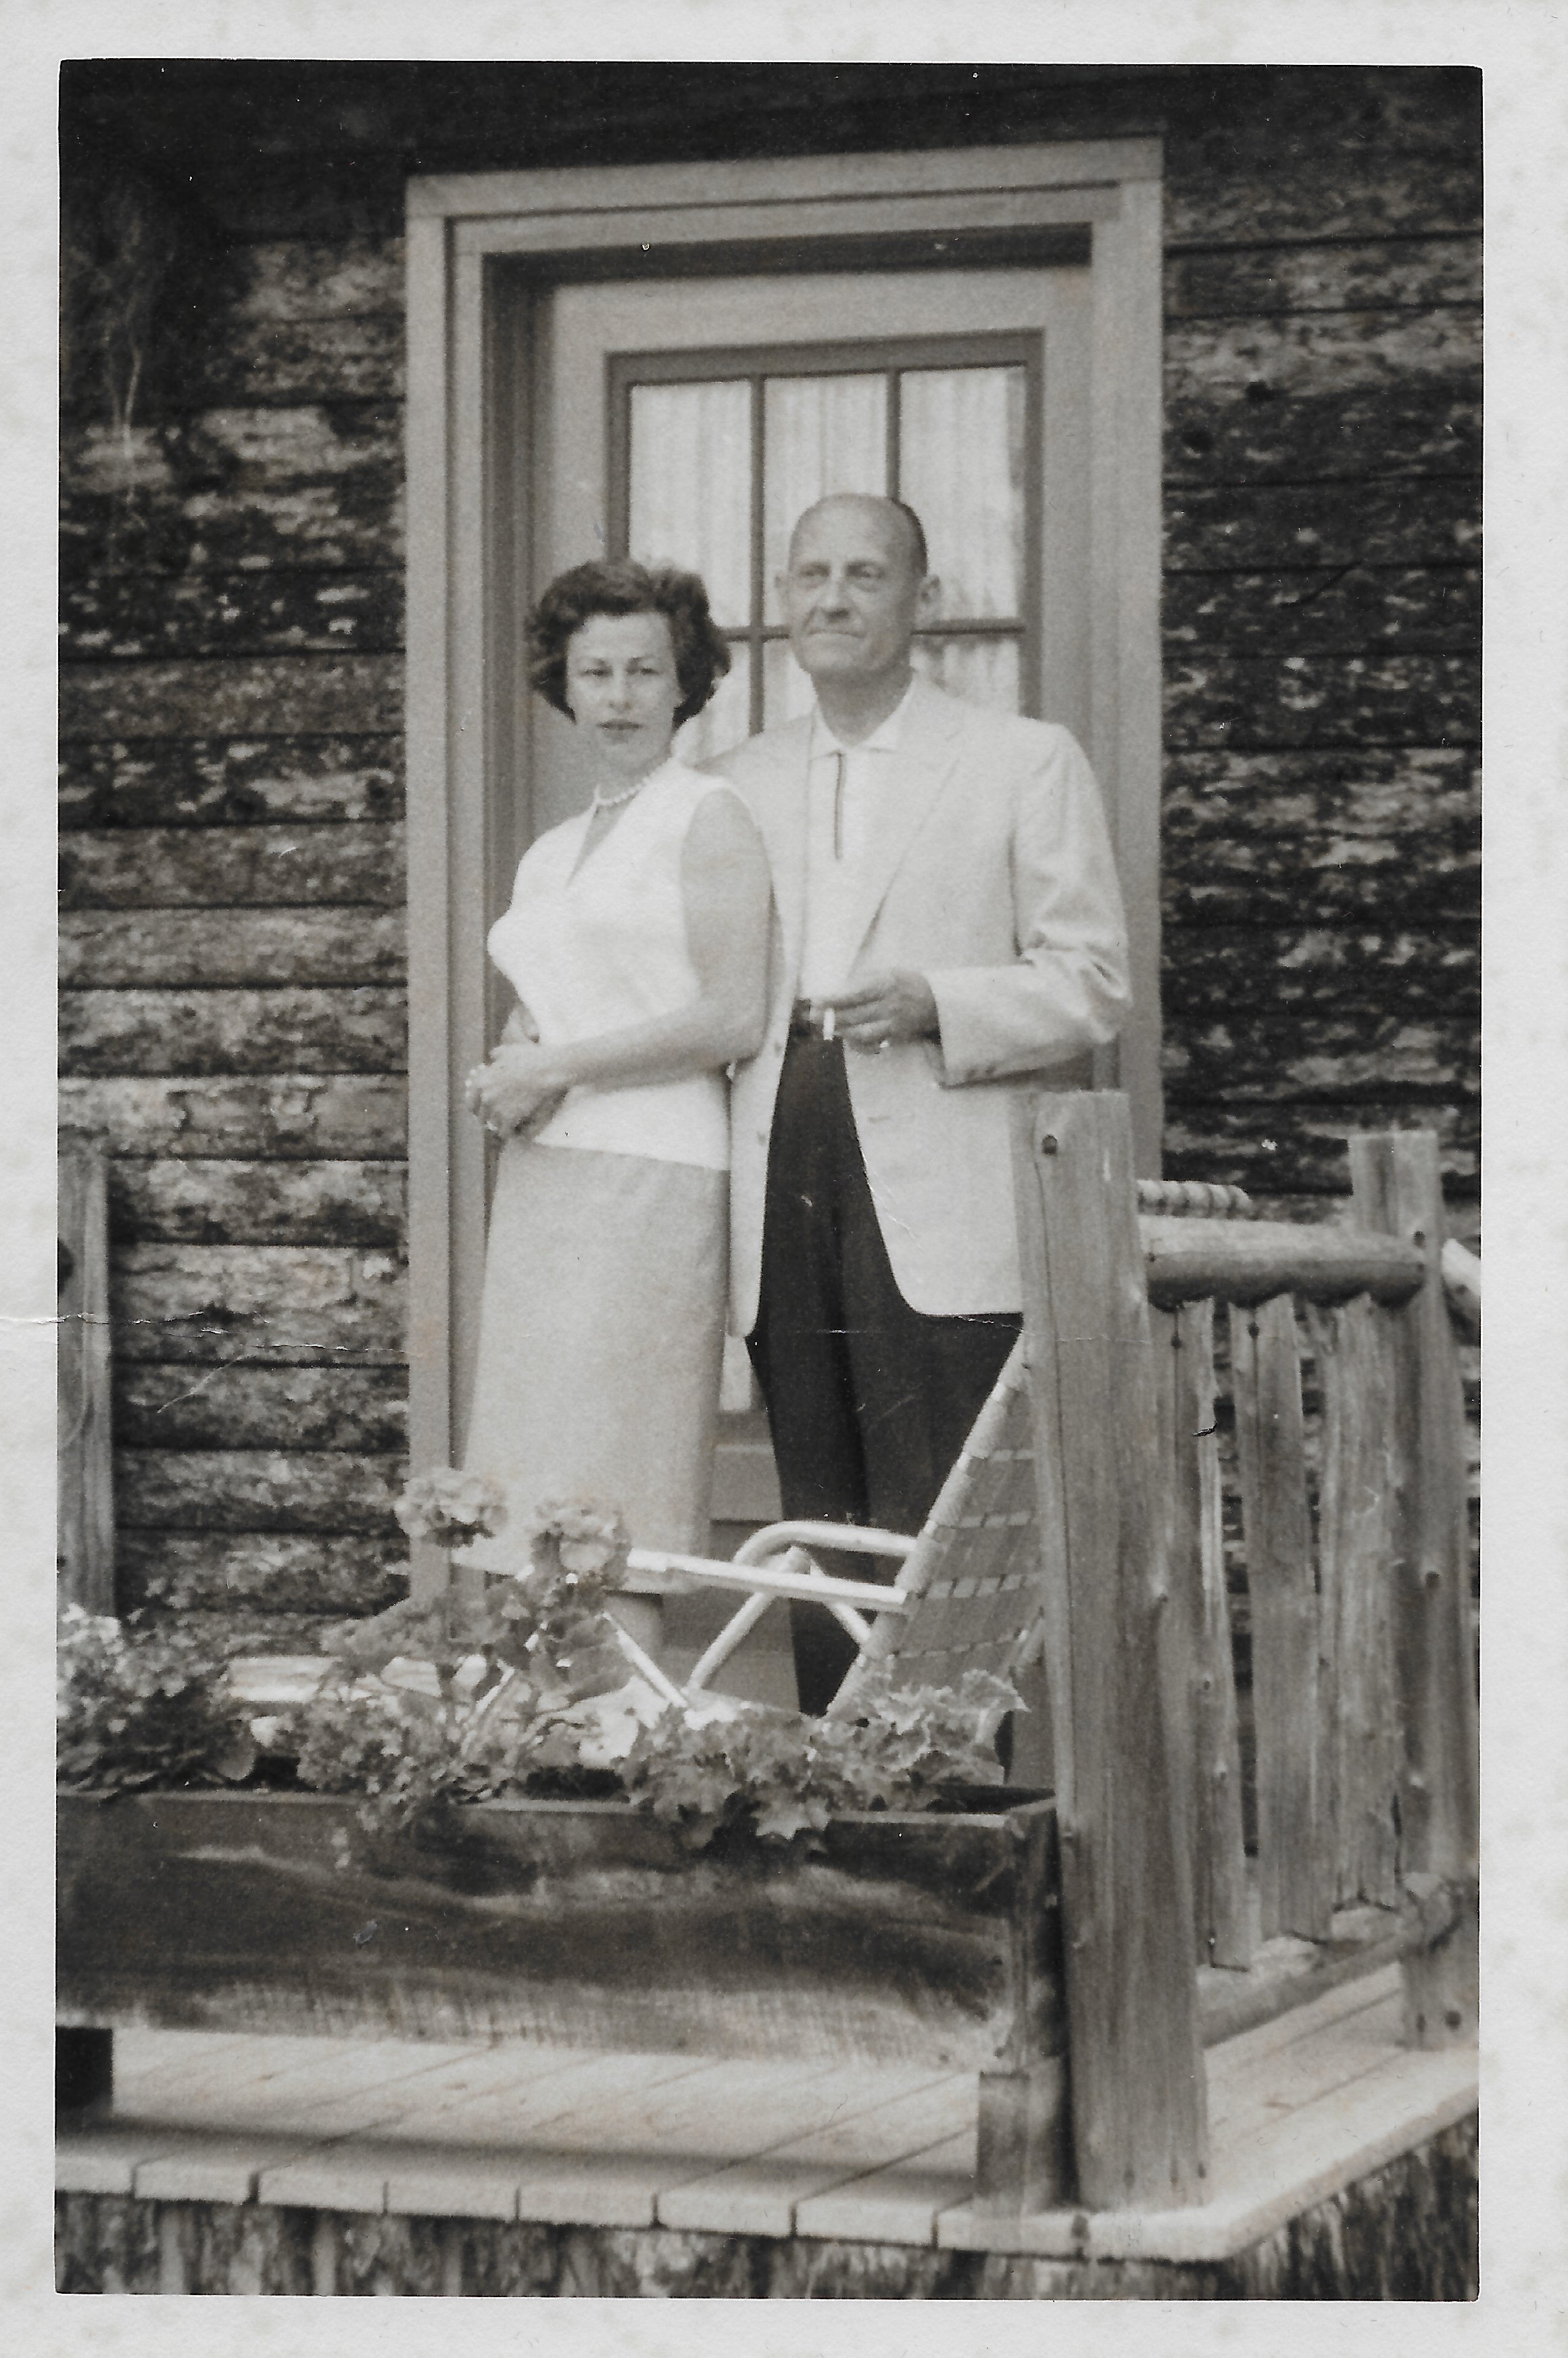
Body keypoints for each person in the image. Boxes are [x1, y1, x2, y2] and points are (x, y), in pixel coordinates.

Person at [713, 494, 1132, 1712]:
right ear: (783, 600)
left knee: (937, 1512)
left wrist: (941, 1001)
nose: (833, 599)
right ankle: (835, 1788)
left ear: (923, 599)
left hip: (936, 1174)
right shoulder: (737, 780)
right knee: (817, 1510)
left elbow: (1093, 982)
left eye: (865, 574)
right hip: (783, 1151)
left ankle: (939, 1788)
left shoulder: (1021, 759)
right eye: (811, 577)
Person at [462, 558, 772, 1668]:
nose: (621, 696)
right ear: (566, 684)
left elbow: (731, 1015)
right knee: (535, 1493)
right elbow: (557, 1003)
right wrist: (518, 1062)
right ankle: (535, 1737)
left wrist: (560, 1067)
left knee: (618, 1496)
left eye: (645, 670)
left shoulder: (708, 818)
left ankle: (618, 1731)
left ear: (686, 683)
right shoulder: (554, 850)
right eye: (597, 673)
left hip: (654, 1174)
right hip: (549, 1181)